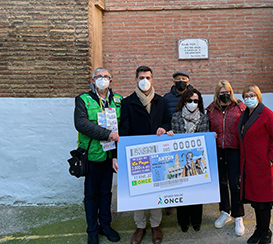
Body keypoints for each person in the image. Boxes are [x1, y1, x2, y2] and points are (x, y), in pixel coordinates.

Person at [119, 66, 173, 244]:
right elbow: (124, 129)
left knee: (157, 188)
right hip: (137, 155)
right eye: (141, 77)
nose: (145, 80)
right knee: (139, 190)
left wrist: (164, 128)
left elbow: (167, 120)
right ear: (136, 79)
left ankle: (155, 225)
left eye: (148, 77)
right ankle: (140, 226)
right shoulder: (127, 102)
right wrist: (123, 153)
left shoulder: (161, 101)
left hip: (157, 154)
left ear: (152, 79)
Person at [74, 67, 122, 244]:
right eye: (99, 77)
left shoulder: (117, 100)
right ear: (93, 80)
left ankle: (106, 226)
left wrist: (116, 155)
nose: (103, 79)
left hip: (109, 156)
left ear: (111, 80)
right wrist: (106, 134)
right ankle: (92, 230)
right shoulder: (83, 100)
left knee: (106, 193)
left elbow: (120, 129)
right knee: (91, 195)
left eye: (106, 77)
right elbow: (81, 124)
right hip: (92, 155)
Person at [238, 85, 273, 244]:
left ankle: (266, 233)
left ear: (258, 96)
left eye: (252, 95)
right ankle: (259, 229)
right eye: (246, 96)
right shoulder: (245, 114)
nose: (248, 98)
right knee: (256, 201)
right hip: (250, 166)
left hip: (264, 166)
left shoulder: (267, 115)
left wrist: (270, 159)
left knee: (264, 202)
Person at [206, 80, 246, 236]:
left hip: (234, 149)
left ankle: (238, 216)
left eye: (227, 91)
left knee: (235, 183)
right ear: (217, 93)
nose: (225, 94)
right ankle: (225, 211)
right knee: (222, 182)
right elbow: (206, 128)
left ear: (231, 91)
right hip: (218, 149)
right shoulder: (211, 109)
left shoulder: (240, 107)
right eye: (222, 92)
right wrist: (211, 136)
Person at [171, 88, 209, 232]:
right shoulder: (176, 117)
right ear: (184, 101)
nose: (192, 103)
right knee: (182, 191)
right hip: (182, 162)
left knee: (197, 192)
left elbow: (204, 140)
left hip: (197, 161)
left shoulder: (204, 118)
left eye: (195, 101)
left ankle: (196, 221)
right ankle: (183, 221)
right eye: (189, 100)